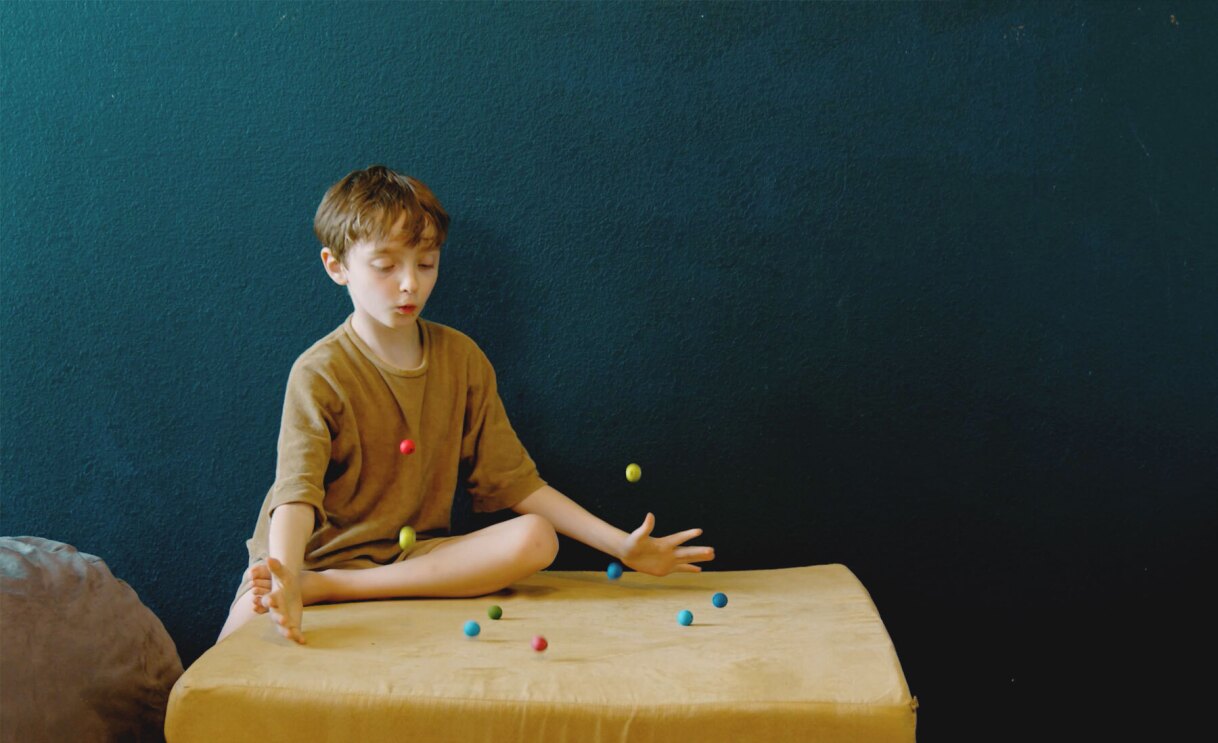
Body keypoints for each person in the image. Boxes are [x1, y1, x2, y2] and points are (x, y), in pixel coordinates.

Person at [217, 165, 714, 645]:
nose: (410, 283)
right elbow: (295, 494)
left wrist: (621, 546)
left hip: (413, 560)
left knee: (536, 538)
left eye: (426, 263)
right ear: (337, 266)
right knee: (225, 663)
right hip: (311, 557)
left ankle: (333, 588)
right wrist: (284, 575)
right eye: (387, 266)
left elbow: (516, 483)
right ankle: (313, 581)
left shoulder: (462, 358)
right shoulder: (319, 371)